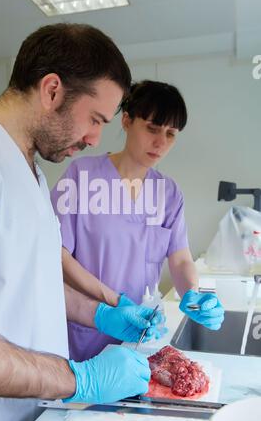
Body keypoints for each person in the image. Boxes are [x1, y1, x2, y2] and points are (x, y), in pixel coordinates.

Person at [0, 24, 162, 421]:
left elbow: (28, 284)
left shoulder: (31, 171)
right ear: (52, 90)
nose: (95, 139)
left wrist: (101, 314)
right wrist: (76, 378)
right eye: (94, 119)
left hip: (33, 413)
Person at [51, 80, 225, 362]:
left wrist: (194, 293)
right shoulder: (81, 176)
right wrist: (114, 302)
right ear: (127, 121)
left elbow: (180, 259)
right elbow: (55, 254)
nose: (161, 143)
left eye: (171, 134)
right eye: (152, 129)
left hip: (141, 334)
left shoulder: (168, 193)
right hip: (86, 330)